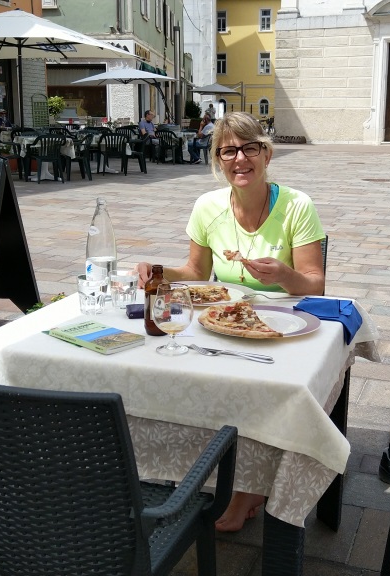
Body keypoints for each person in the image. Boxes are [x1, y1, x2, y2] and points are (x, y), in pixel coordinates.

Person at [136, 112, 326, 531]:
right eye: (228, 151)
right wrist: (159, 271)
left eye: (249, 148)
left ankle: (249, 490)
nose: (240, 159)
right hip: (223, 322)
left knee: (272, 392)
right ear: (218, 161)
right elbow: (195, 272)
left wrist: (284, 275)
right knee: (184, 375)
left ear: (266, 154)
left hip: (283, 326)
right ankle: (206, 469)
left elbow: (315, 283)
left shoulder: (297, 205)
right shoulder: (208, 207)